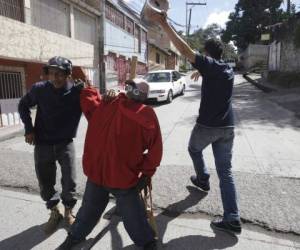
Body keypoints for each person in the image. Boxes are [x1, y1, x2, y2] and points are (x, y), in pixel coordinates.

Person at [150, 12, 242, 235]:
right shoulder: (226, 69)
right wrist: (198, 70)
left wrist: (163, 22)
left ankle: (202, 178)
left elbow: (184, 51)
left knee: (193, 148)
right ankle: (233, 218)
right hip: (228, 128)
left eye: (202, 56)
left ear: (207, 54)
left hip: (208, 126)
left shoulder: (210, 66)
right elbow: (209, 68)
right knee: (226, 172)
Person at [58, 79, 163, 250]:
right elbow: (91, 107)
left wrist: (146, 172)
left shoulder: (146, 113)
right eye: (127, 87)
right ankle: (75, 236)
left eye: (132, 88)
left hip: (123, 177)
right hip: (98, 174)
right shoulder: (110, 103)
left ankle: (148, 243)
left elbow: (155, 148)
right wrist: (87, 90)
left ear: (141, 94)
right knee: (88, 211)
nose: (127, 90)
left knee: (133, 217)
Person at [18, 56, 83, 234]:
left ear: (68, 74)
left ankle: (69, 210)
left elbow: (96, 105)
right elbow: (23, 105)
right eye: (52, 73)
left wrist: (110, 94)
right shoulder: (40, 89)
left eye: (60, 74)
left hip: (65, 143)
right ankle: (55, 212)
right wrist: (29, 129)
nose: (55, 78)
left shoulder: (77, 91)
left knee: (70, 181)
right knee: (45, 182)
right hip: (43, 144)